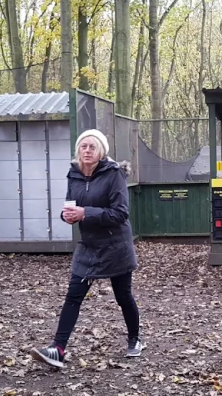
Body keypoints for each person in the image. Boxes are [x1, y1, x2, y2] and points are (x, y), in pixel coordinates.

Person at [30, 129, 144, 369]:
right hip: (89, 245)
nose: (87, 151)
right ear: (78, 150)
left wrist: (85, 213)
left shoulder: (114, 174)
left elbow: (120, 213)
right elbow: (71, 206)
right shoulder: (74, 175)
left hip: (116, 245)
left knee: (123, 296)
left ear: (101, 151)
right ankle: (58, 349)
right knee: (73, 296)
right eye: (83, 146)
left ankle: (135, 338)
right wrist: (67, 216)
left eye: (93, 147)